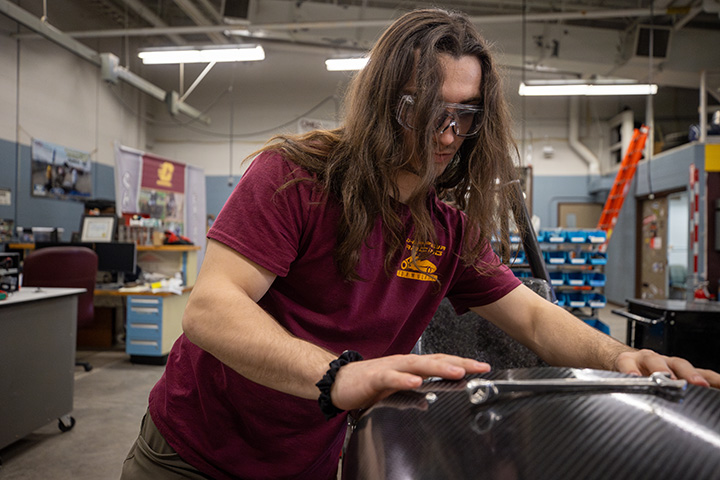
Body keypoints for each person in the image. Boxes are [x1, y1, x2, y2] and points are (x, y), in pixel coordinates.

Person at [121, 8, 720, 480]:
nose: (448, 134)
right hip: (192, 456)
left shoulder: (445, 229)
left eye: (466, 115)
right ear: (384, 100)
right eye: (428, 110)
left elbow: (536, 320)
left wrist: (620, 360)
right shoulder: (293, 177)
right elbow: (210, 308)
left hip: (306, 463)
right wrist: (339, 376)